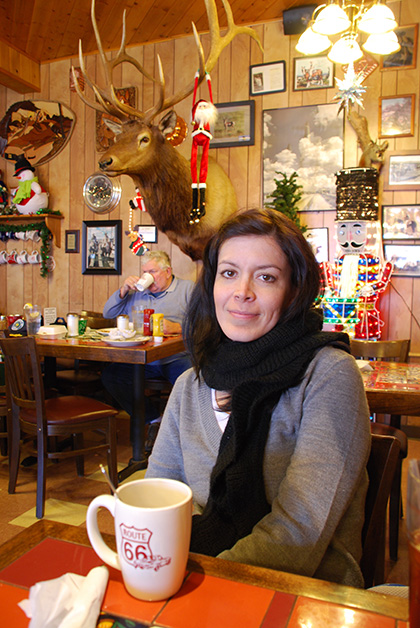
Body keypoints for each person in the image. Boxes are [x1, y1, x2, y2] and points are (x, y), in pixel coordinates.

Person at [146, 208, 371, 587]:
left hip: (308, 595)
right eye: (229, 273)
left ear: (294, 291)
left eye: (266, 277)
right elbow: (159, 494)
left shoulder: (329, 375)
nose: (242, 292)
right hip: (191, 578)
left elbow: (298, 533)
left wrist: (206, 584)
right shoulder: (189, 385)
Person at [102, 251, 195, 448]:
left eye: (152, 271)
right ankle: (154, 419)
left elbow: (207, 323)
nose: (147, 277)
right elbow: (108, 312)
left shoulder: (187, 289)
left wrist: (178, 328)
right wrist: (123, 290)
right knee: (112, 375)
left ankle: (184, 436)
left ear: (167, 271)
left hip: (175, 357)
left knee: (192, 381)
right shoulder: (137, 293)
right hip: (142, 359)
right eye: (144, 272)